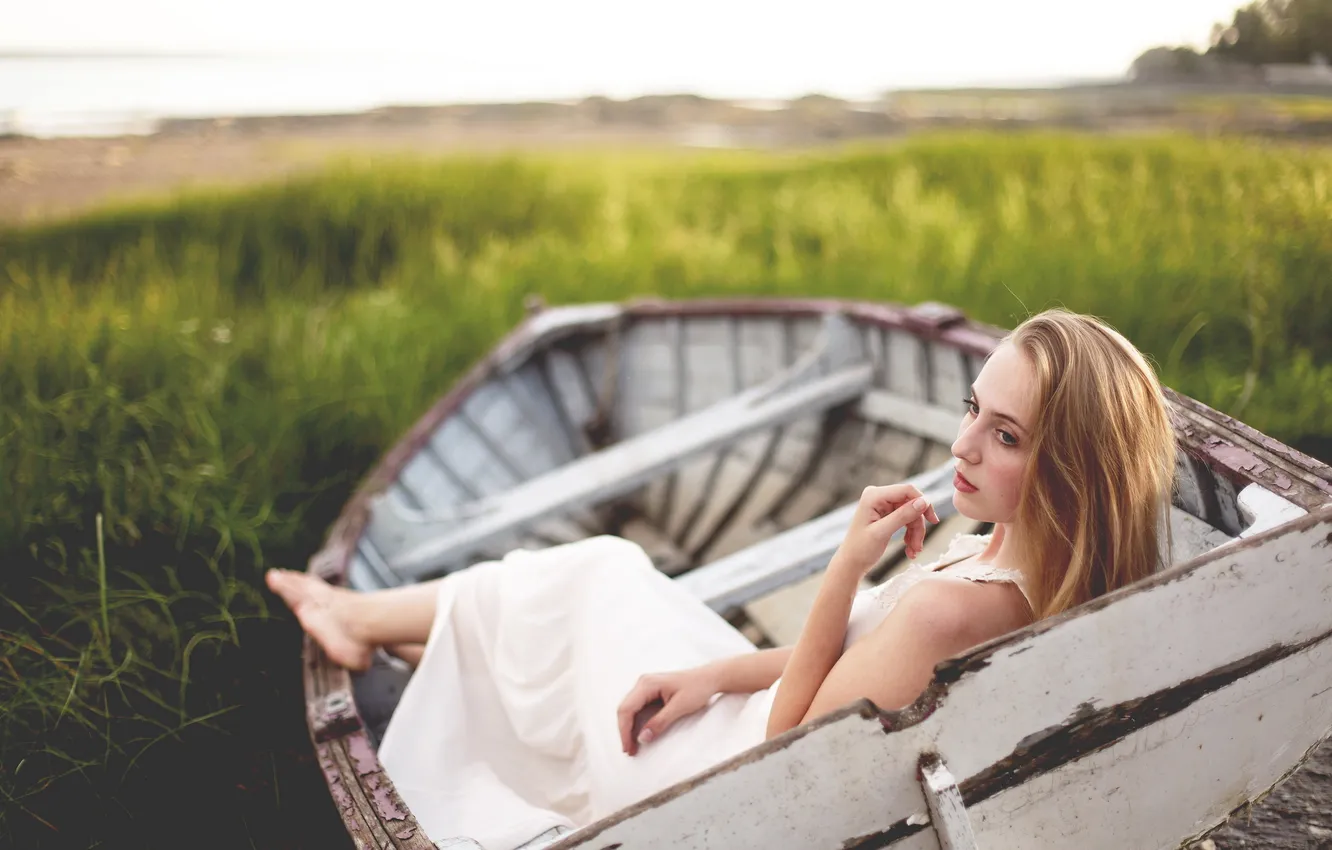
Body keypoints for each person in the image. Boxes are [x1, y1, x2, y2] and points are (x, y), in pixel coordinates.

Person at [266, 308, 1177, 849]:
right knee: (612, 590)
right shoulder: (1025, 574)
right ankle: (411, 631)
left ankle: (361, 620)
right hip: (749, 713)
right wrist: (713, 672)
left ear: (1075, 469)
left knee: (600, 573)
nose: (961, 445)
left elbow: (788, 757)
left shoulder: (949, 611)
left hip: (720, 783)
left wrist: (842, 569)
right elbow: (851, 666)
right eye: (972, 407)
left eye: (1006, 436)